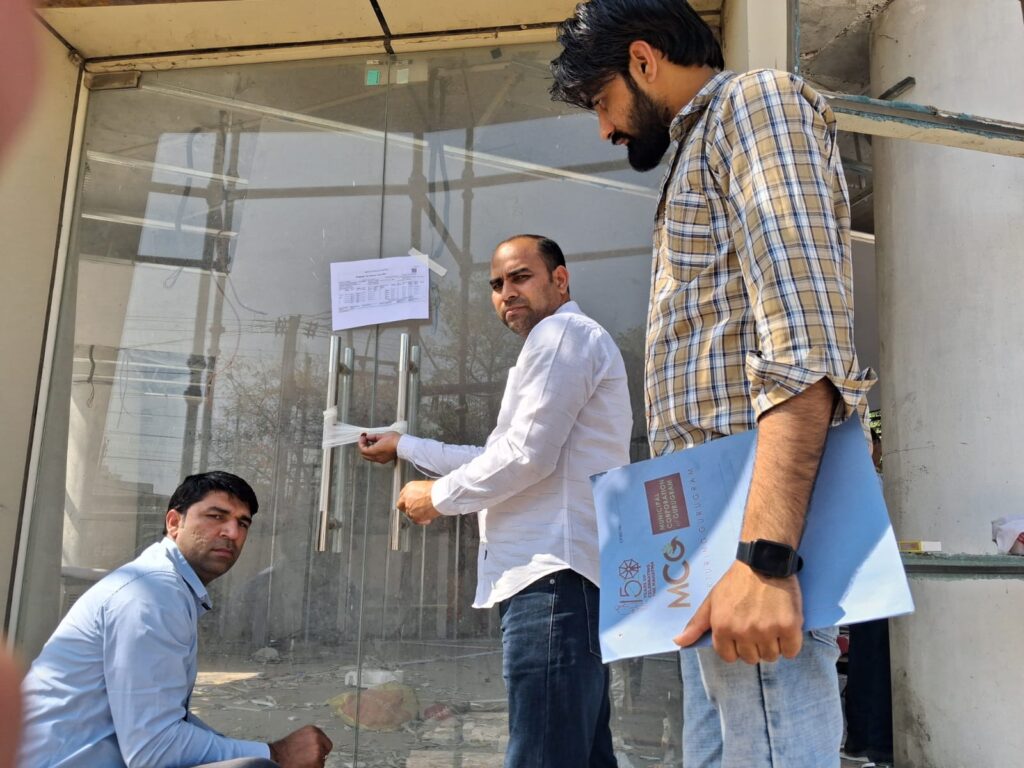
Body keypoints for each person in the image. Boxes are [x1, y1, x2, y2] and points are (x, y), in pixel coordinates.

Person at [550, 2, 875, 767]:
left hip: (752, 540)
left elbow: (807, 346)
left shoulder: (755, 105)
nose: (605, 128)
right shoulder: (701, 147)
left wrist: (766, 559)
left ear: (643, 59)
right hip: (709, 544)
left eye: (602, 100)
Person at [358, 235, 631, 768]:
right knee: (578, 755)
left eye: (521, 277)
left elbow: (525, 456)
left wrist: (438, 497)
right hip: (564, 583)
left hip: (551, 582)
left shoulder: (562, 335)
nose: (507, 292)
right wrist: (405, 446)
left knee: (543, 755)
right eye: (497, 284)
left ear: (560, 280)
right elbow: (500, 455)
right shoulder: (561, 342)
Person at [19, 471, 333, 768]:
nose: (232, 533)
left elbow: (166, 721)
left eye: (243, 523)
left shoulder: (167, 588)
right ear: (173, 522)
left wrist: (252, 751)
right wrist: (276, 754)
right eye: (216, 516)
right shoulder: (150, 595)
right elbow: (153, 749)